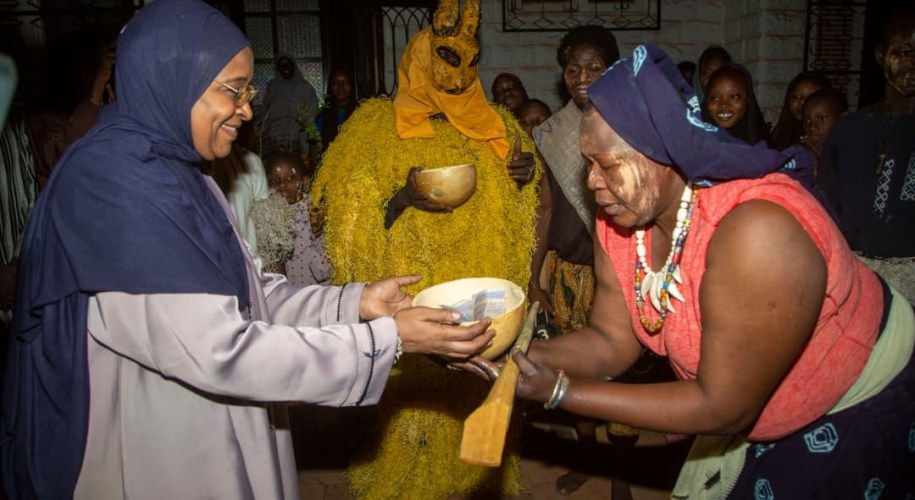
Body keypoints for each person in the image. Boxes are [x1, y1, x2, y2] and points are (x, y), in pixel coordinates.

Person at [0, 1, 496, 498]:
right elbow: (219, 349)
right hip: (155, 443)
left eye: (248, 91)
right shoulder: (112, 187)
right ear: (175, 80)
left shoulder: (184, 174)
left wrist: (356, 303)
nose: (248, 109)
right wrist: (389, 341)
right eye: (232, 90)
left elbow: (252, 290)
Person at [478, 43, 914, 498]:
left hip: (856, 402)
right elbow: (610, 341)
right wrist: (517, 357)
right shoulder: (621, 220)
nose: (591, 182)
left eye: (607, 165)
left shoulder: (754, 232)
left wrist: (559, 393)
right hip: (745, 410)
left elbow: (722, 406)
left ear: (666, 155)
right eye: (588, 164)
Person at [310, 0, 540, 496]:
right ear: (420, 55)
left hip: (476, 285)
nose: (459, 75)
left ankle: (469, 475)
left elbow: (523, 210)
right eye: (447, 58)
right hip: (410, 290)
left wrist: (522, 178)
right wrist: (402, 198)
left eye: (470, 61)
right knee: (411, 405)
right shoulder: (374, 130)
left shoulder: (496, 128)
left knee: (470, 387)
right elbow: (351, 221)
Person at [816, 6, 915, 305]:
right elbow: (829, 206)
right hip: (855, 281)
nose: (913, 63)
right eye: (904, 51)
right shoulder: (850, 130)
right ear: (881, 54)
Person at [262, 149, 332, 286]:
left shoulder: (313, 212)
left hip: (314, 295)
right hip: (284, 295)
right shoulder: (266, 214)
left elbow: (323, 272)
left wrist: (318, 234)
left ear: (304, 181)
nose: (282, 185)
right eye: (275, 180)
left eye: (289, 178)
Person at [255, 52, 319, 161]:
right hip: (273, 142)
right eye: (281, 65)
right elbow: (265, 110)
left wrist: (303, 130)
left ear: (294, 65)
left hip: (297, 141)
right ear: (278, 68)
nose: (285, 67)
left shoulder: (306, 88)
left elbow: (312, 114)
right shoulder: (272, 87)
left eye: (288, 64)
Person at [702, 64, 772, 146]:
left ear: (748, 99)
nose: (724, 105)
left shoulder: (763, 149)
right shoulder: (694, 145)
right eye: (715, 98)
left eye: (734, 97)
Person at [770, 70, 832, 150]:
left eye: (810, 97)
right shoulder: (780, 135)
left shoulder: (830, 136)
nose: (802, 103)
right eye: (796, 97)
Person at [315, 65, 357, 154]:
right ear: (330, 86)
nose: (340, 86)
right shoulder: (322, 115)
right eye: (336, 83)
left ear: (351, 85)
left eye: (345, 82)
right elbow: (316, 146)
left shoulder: (361, 111)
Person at [800, 86, 848, 161]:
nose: (812, 127)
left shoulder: (855, 152)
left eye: (821, 119)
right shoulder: (799, 155)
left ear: (843, 119)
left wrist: (824, 157)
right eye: (807, 120)